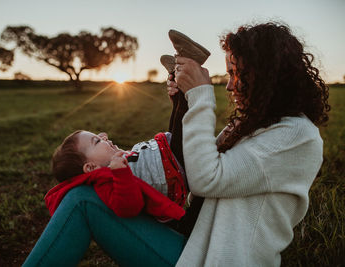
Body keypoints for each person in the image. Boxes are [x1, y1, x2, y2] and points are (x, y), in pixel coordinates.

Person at [23, 22, 329, 267]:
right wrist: (183, 101)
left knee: (80, 200)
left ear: (268, 78)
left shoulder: (296, 136)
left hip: (213, 260)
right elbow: (188, 162)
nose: (230, 85)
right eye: (230, 73)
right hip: (191, 246)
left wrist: (200, 96)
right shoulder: (256, 125)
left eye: (239, 74)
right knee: (84, 195)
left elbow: (206, 178)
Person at [45, 130, 188, 222]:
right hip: (176, 166)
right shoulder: (106, 180)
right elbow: (128, 207)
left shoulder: (115, 163)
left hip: (170, 150)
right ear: (91, 167)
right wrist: (121, 174)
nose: (104, 136)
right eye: (97, 140)